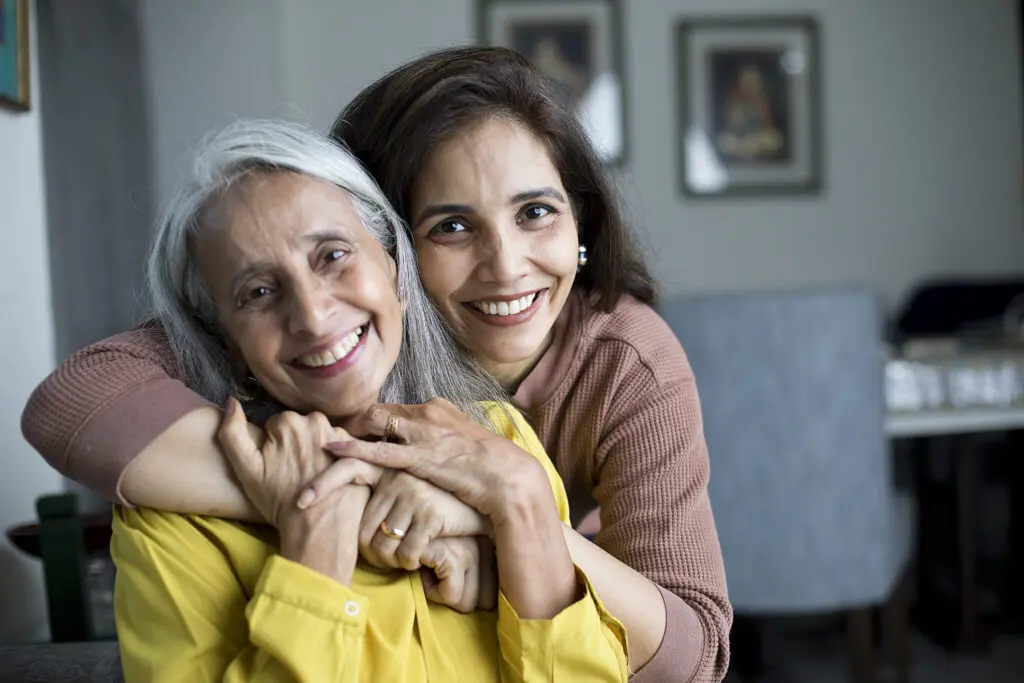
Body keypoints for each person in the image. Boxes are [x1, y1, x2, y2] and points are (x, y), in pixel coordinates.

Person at [22, 47, 730, 682]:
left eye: (537, 211)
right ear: (398, 246)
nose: (507, 266)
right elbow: (75, 398)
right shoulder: (267, 362)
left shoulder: (556, 410)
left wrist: (514, 518)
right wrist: (337, 500)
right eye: (450, 225)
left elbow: (689, 652)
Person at [111, 118, 627, 682]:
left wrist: (523, 500)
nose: (311, 315)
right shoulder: (172, 526)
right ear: (229, 344)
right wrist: (316, 550)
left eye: (332, 256)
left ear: (393, 267)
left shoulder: (500, 441)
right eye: (258, 292)